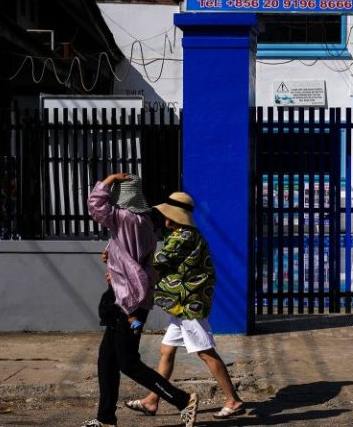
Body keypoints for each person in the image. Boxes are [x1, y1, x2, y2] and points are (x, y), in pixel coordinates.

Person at [82, 174, 198, 427]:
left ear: (122, 197)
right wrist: (112, 259)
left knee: (128, 362)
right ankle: (106, 419)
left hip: (128, 301)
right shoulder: (142, 221)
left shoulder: (124, 217)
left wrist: (109, 179)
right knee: (107, 360)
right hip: (127, 297)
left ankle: (182, 399)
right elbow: (130, 255)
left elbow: (95, 205)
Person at [124, 191, 245, 420]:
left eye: (167, 214)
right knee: (166, 350)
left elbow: (158, 262)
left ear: (174, 216)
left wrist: (122, 264)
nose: (164, 217)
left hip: (189, 305)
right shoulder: (185, 234)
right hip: (182, 306)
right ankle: (152, 400)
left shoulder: (183, 237)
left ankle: (233, 400)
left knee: (206, 352)